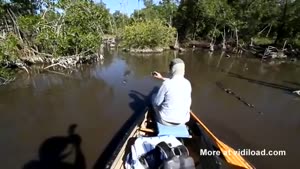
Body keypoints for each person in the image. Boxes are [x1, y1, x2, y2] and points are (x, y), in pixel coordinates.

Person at [151, 58, 192, 126]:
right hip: (182, 122)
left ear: (172, 69)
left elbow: (157, 103)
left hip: (165, 121)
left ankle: (154, 119)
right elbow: (176, 82)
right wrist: (161, 77)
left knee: (153, 98)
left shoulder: (166, 84)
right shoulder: (187, 83)